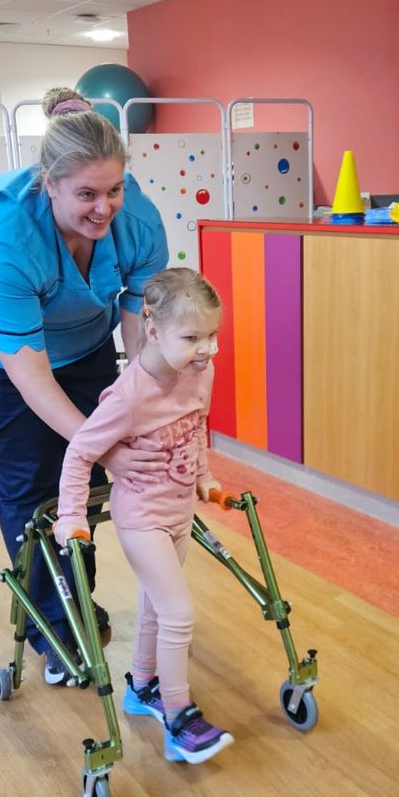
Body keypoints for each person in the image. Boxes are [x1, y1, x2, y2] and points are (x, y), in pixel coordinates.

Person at [0, 86, 169, 683]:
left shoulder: (137, 221)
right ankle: (54, 629)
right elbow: (29, 374)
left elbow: (139, 336)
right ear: (49, 182)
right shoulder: (6, 235)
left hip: (84, 337)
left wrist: (145, 414)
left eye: (114, 190)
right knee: (30, 483)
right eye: (87, 194)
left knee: (83, 479)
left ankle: (75, 607)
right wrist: (102, 440)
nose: (104, 208)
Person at [53, 268, 233, 765]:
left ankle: (143, 686)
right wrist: (71, 514)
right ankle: (179, 718)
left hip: (178, 511)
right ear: (152, 330)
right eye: (192, 337)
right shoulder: (128, 395)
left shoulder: (199, 373)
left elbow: (197, 425)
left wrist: (203, 476)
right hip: (142, 518)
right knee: (178, 613)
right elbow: (81, 452)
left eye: (213, 335)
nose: (207, 349)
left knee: (157, 607)